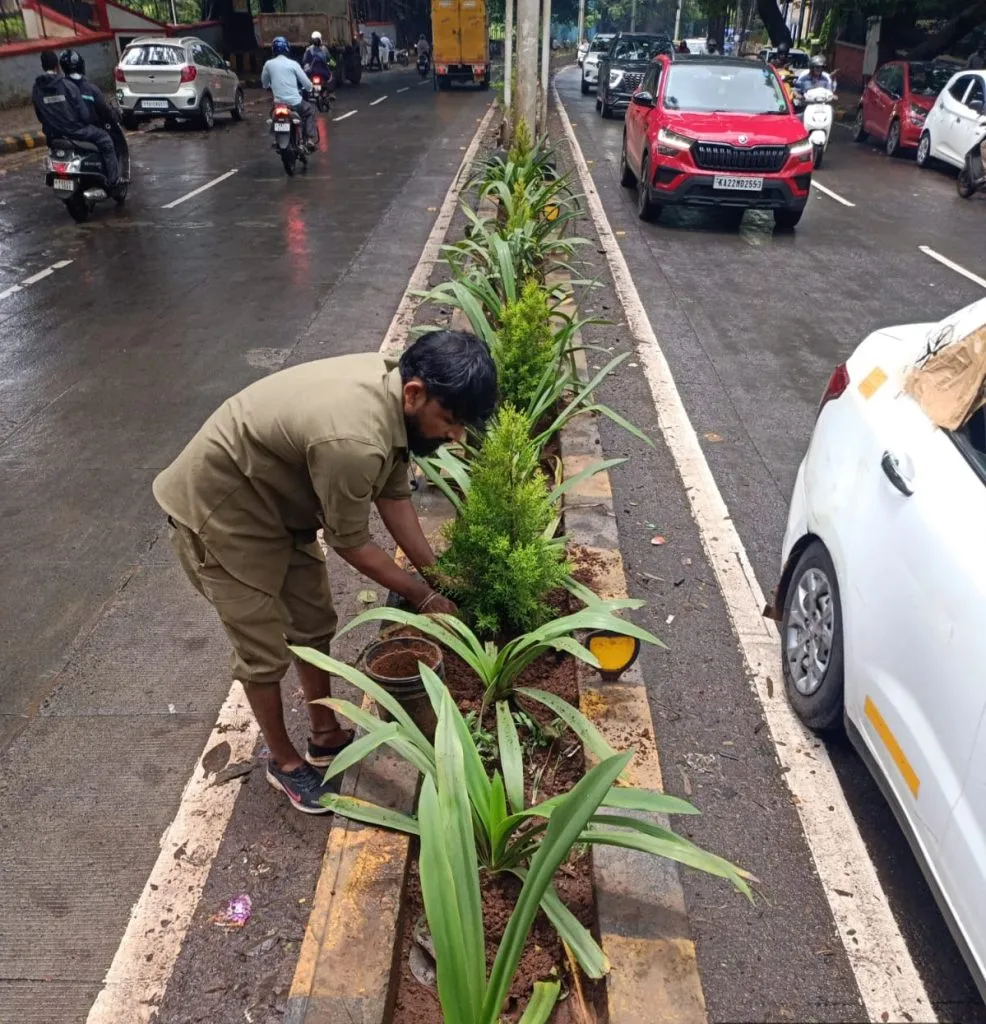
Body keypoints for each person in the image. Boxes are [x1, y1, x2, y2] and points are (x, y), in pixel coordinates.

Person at [153, 333, 497, 814]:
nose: (454, 436)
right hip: (224, 510)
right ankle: (286, 763)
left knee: (313, 621)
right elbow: (350, 541)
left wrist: (441, 577)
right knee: (263, 650)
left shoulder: (396, 396)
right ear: (415, 394)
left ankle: (326, 733)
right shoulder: (354, 440)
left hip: (278, 501)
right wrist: (422, 595)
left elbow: (394, 496)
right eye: (450, 421)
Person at [32, 50, 121, 190]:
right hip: (76, 131)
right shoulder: (68, 86)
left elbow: (39, 115)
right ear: (57, 66)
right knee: (106, 140)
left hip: (53, 134)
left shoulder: (37, 88)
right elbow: (84, 114)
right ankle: (114, 182)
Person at [261, 37, 316, 152]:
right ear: (287, 48)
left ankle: (276, 138)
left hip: (279, 104)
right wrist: (310, 87)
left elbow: (265, 83)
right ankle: (310, 139)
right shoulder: (293, 64)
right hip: (295, 102)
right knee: (309, 111)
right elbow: (306, 83)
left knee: (273, 114)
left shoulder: (268, 64)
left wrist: (269, 86)